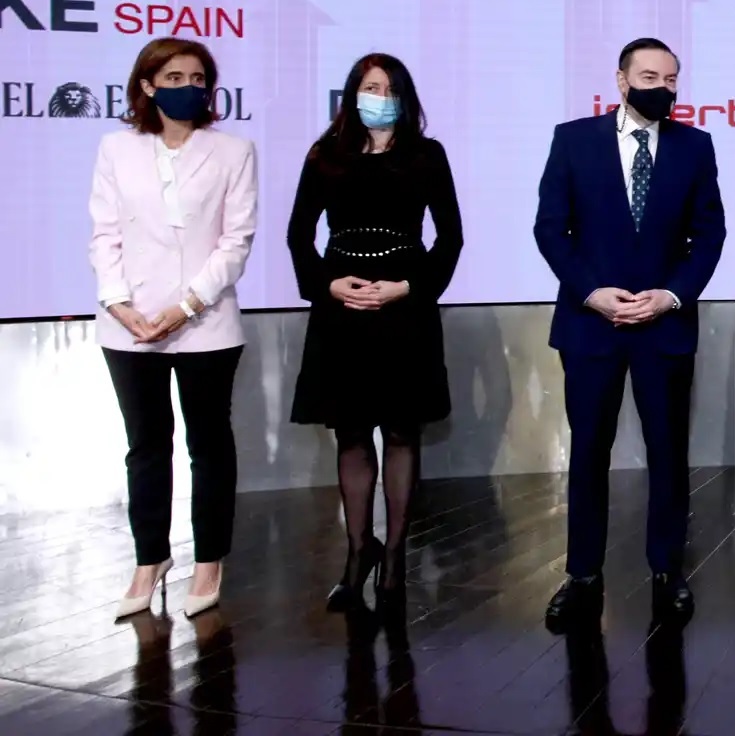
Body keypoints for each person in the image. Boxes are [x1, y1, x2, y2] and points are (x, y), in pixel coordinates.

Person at [534, 37, 726, 632]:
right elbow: (550, 229)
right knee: (588, 451)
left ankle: (668, 571)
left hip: (663, 328)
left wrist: (669, 296)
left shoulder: (696, 146)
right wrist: (593, 293)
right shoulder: (573, 139)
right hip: (591, 327)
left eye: (672, 79)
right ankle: (582, 575)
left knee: (668, 453)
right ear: (621, 80)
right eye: (649, 76)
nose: (662, 88)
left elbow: (710, 234)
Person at [286, 53, 463, 613]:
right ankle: (359, 551)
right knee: (353, 435)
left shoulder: (426, 156)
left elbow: (450, 238)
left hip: (404, 311)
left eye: (388, 88)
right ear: (351, 93)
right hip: (342, 311)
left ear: (405, 96)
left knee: (404, 435)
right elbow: (298, 236)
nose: (378, 96)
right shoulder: (325, 156)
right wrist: (330, 285)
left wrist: (408, 287)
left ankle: (394, 565)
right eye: (369, 86)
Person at [91, 37, 257, 620]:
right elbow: (104, 233)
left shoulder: (234, 150)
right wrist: (118, 303)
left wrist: (187, 305)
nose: (188, 85)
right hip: (130, 326)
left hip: (207, 323)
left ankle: (209, 561)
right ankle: (149, 559)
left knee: (208, 445)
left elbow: (236, 242)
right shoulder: (116, 148)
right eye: (174, 75)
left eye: (197, 76)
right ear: (147, 85)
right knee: (146, 446)